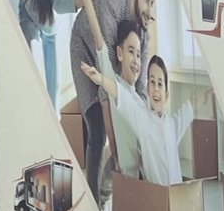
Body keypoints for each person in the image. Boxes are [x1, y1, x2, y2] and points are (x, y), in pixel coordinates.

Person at [70, 0, 161, 198]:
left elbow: (139, 93)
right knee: (98, 130)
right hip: (86, 47)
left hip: (111, 57)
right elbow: (107, 78)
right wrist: (119, 154)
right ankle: (92, 197)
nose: (148, 10)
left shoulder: (143, 31)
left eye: (152, 2)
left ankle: (121, 188)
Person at [80, 42, 193, 186]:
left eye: (160, 83)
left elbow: (191, 108)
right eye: (152, 82)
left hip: (178, 197)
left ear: (166, 94)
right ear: (147, 89)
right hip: (156, 198)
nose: (156, 89)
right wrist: (101, 79)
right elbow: (121, 96)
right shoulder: (143, 120)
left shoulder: (172, 124)